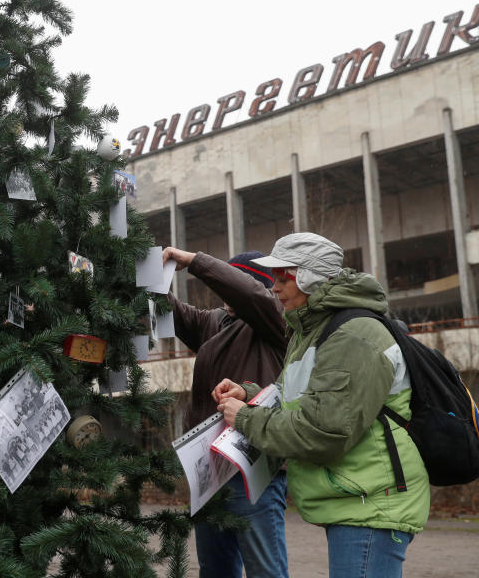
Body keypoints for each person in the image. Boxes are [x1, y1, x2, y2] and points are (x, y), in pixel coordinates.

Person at [215, 232, 429, 578]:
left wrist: (246, 419)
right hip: (354, 499)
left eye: (283, 277)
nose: (274, 288)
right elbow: (300, 400)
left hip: (372, 503)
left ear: (310, 276)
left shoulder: (353, 335)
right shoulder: (312, 331)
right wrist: (249, 392)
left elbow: (323, 431)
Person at [163, 247, 289, 578]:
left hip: (252, 470)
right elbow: (175, 312)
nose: (223, 292)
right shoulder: (216, 321)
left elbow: (251, 295)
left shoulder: (274, 318)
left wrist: (194, 262)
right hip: (210, 471)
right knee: (215, 570)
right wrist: (148, 277)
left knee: (265, 571)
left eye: (229, 282)